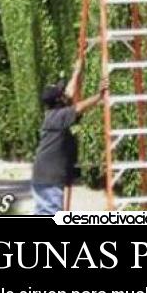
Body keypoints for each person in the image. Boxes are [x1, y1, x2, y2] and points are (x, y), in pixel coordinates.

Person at [31, 58, 108, 215]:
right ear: (59, 100)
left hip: (44, 176)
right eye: (62, 93)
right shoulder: (58, 117)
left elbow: (70, 92)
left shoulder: (56, 113)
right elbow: (80, 107)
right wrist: (99, 96)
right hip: (49, 178)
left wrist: (77, 71)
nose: (66, 93)